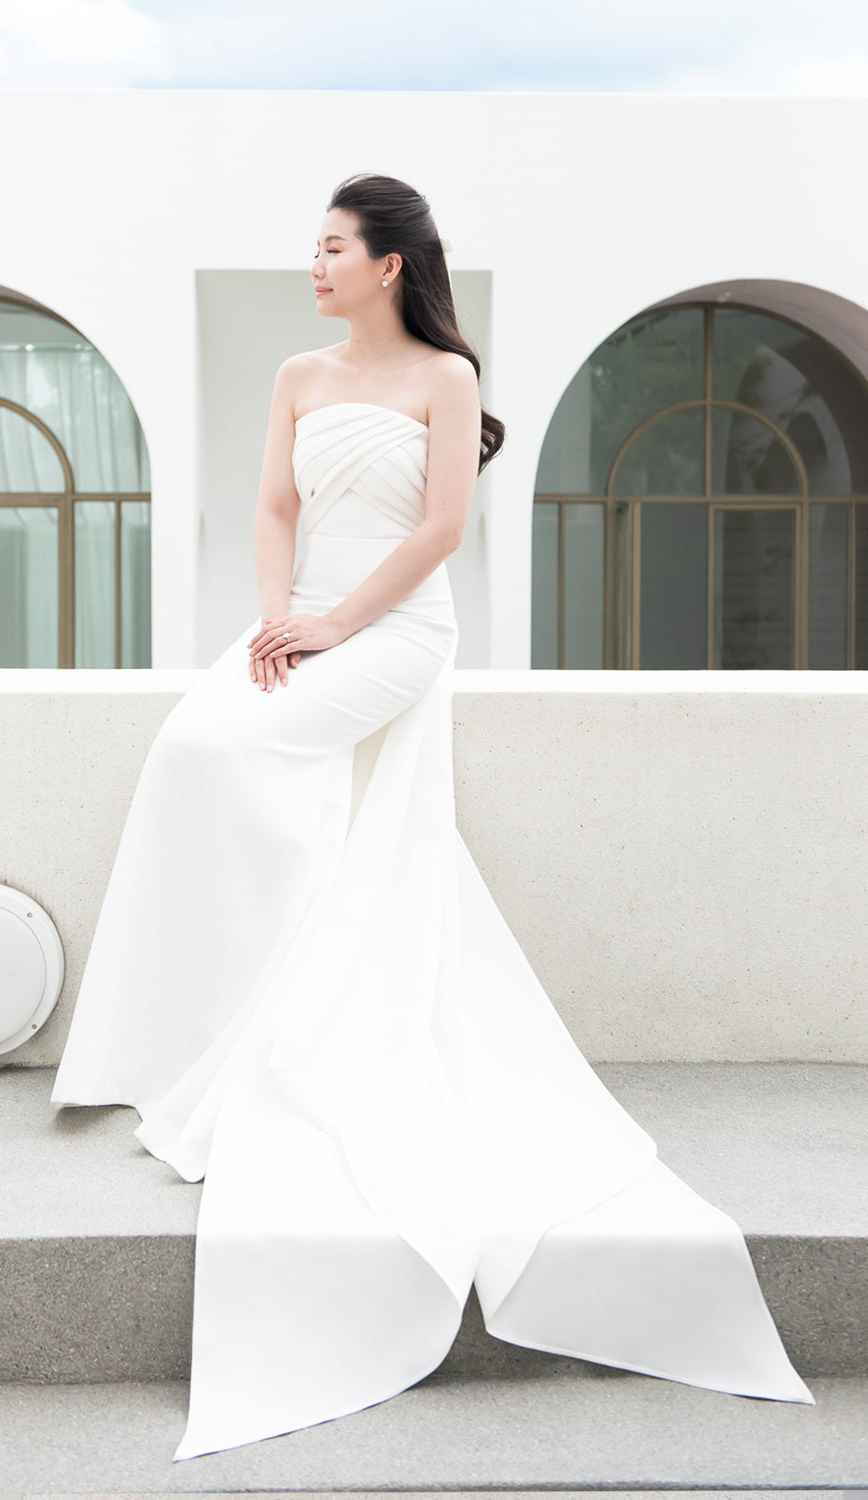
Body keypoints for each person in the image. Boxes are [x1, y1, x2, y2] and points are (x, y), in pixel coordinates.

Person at [50, 172, 815, 1463]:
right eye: (316, 243)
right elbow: (275, 506)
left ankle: (300, 1001)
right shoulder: (299, 373)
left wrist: (335, 625)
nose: (316, 262)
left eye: (335, 245)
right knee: (196, 745)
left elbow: (444, 530)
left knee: (230, 758)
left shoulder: (445, 380)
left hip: (397, 633)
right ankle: (239, 1005)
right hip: (303, 625)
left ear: (390, 264)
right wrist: (275, 621)